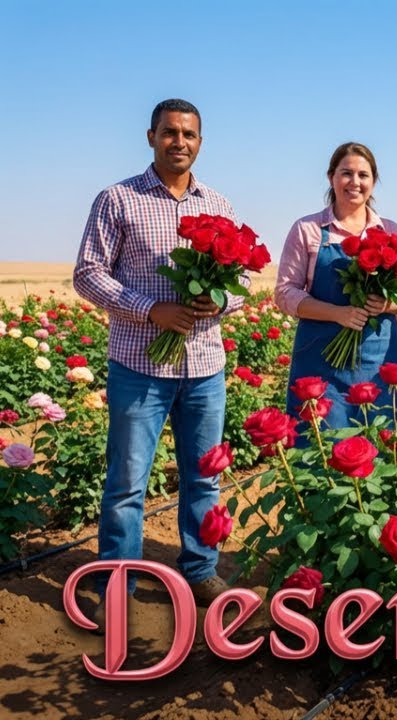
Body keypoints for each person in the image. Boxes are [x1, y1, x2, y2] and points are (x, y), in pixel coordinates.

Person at [73, 99, 243, 625]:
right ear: (151, 137)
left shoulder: (217, 204)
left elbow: (242, 285)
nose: (179, 142)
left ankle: (199, 568)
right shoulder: (118, 199)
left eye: (189, 134)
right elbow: (88, 273)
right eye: (169, 133)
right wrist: (152, 310)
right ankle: (117, 577)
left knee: (204, 478)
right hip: (139, 365)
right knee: (127, 480)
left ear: (200, 141)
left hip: (204, 368)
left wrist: (222, 301)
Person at [275, 142, 397, 438]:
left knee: (381, 447)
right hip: (321, 362)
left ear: (373, 181)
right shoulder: (308, 229)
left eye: (363, 175)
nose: (355, 182)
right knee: (322, 450)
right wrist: (337, 313)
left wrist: (389, 304)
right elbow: (285, 292)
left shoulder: (391, 231)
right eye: (346, 173)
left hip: (379, 363)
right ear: (331, 177)